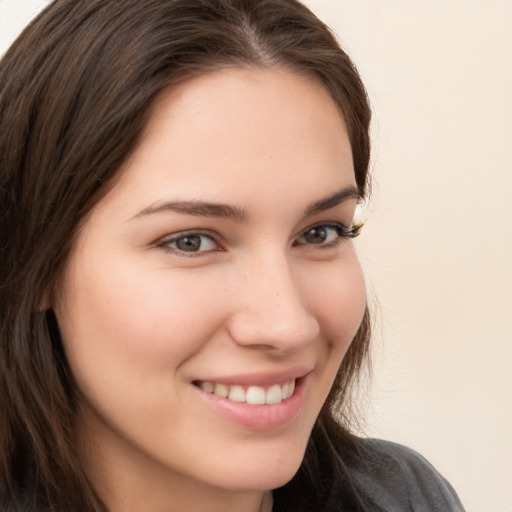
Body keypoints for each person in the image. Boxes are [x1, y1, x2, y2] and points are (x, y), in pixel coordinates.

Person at [0, 1, 466, 511]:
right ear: (33, 260)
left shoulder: (403, 497)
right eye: (190, 241)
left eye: (320, 232)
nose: (287, 325)